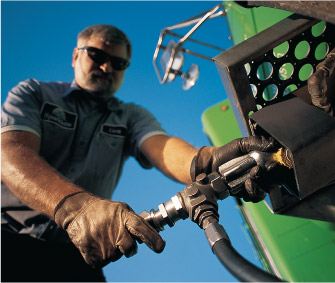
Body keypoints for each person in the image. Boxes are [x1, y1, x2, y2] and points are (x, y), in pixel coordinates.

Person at [1, 24, 277, 282]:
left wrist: (208, 161)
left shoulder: (130, 117)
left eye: (118, 64)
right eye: (96, 55)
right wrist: (76, 209)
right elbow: (10, 152)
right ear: (75, 56)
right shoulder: (35, 93)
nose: (107, 66)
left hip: (75, 258)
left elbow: (162, 146)